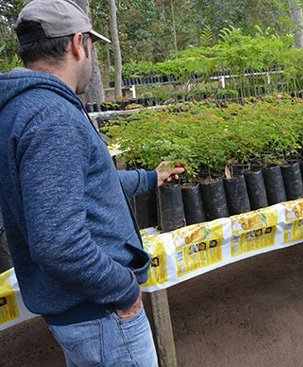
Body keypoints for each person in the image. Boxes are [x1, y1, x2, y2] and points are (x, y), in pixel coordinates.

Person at [0, 0, 184, 365]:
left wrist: (150, 177)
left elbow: (84, 185)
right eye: (91, 48)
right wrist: (123, 290)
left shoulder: (22, 108)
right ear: (77, 43)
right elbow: (58, 243)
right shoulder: (52, 118)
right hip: (100, 313)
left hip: (79, 313)